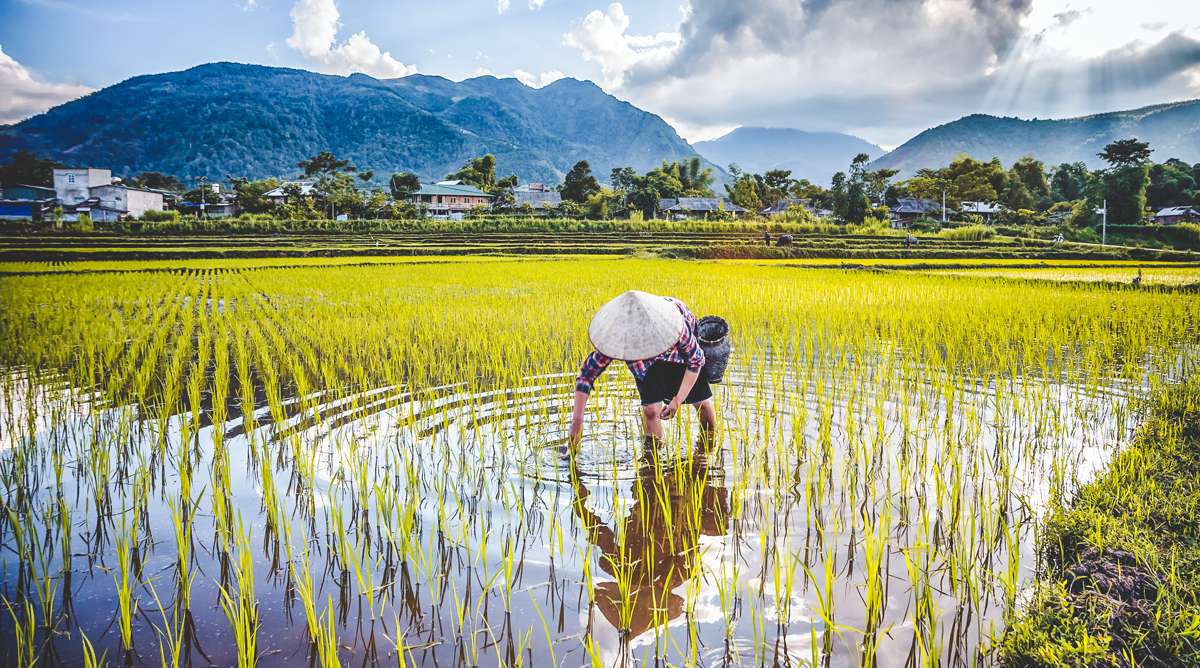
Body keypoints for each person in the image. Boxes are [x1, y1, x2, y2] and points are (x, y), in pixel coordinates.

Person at [569, 291, 717, 442]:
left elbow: (696, 360)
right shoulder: (618, 337)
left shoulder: (675, 325)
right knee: (650, 410)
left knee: (701, 403)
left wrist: (678, 400)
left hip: (678, 356)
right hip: (643, 366)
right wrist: (577, 422)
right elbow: (587, 375)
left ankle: (710, 443)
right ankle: (653, 457)